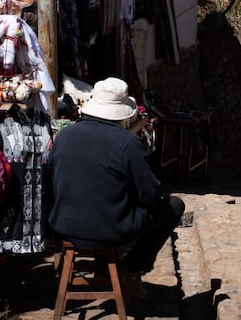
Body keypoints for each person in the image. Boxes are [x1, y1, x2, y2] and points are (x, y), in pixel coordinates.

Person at [47, 77, 185, 298]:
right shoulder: (128, 144)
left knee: (108, 207)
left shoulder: (64, 135)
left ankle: (107, 266)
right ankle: (131, 268)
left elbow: (52, 180)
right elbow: (150, 195)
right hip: (107, 230)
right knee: (173, 206)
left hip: (63, 225)